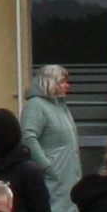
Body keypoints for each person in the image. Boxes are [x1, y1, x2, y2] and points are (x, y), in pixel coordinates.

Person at [20, 63, 83, 192]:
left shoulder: (60, 107)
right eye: (62, 82)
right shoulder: (35, 105)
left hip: (67, 179)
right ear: (49, 83)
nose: (67, 85)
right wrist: (47, 167)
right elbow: (27, 138)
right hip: (52, 182)